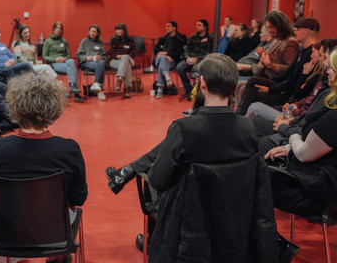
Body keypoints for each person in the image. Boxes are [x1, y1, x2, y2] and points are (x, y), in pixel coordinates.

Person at [106, 54, 278, 261]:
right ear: (233, 85)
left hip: (189, 230)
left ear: (202, 82)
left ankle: (149, 230)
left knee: (160, 175)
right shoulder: (249, 128)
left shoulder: (184, 128)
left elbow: (158, 180)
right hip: (235, 226)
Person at [265, 46, 337, 262]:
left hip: (326, 198)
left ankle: (275, 245)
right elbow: (324, 148)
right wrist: (292, 147)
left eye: (331, 67)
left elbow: (303, 155)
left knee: (251, 179)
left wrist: (291, 135)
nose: (327, 71)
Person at [0, 73, 87, 263]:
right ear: (54, 108)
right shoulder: (69, 149)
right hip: (54, 233)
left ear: (15, 107)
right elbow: (78, 198)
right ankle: (57, 257)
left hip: (4, 233)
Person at [233, 11, 300, 114]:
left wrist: (269, 64)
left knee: (252, 80)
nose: (269, 30)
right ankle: (239, 114)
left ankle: (240, 114)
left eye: (271, 27)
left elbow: (290, 70)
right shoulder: (278, 39)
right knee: (240, 86)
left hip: (278, 82)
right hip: (268, 76)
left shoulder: (290, 42)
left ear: (280, 25)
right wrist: (263, 57)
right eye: (268, 27)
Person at [43, 21, 84, 103]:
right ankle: (75, 92)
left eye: (60, 28)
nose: (58, 30)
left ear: (62, 30)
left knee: (71, 61)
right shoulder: (48, 41)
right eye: (56, 28)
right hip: (54, 63)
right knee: (73, 69)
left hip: (65, 62)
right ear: (53, 29)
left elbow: (69, 55)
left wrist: (64, 58)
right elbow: (44, 56)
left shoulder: (64, 41)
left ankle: (72, 86)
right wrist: (55, 59)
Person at [176, 19, 214, 99]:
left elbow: (209, 52)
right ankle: (188, 89)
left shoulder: (210, 37)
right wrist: (187, 57)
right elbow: (187, 49)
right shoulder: (193, 37)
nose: (196, 27)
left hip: (201, 60)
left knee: (195, 69)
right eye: (196, 25)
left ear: (205, 27)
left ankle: (196, 91)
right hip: (190, 58)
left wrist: (197, 59)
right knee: (179, 67)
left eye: (199, 25)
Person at [152, 21, 186, 99]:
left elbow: (179, 53)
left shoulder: (179, 39)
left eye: (168, 26)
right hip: (158, 59)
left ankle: (160, 88)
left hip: (171, 61)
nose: (166, 28)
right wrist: (162, 54)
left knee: (163, 62)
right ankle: (167, 78)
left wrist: (166, 53)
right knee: (162, 59)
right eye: (166, 26)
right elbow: (156, 49)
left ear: (174, 28)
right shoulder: (163, 38)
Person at [75, 24, 108, 101]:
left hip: (98, 62)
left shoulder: (100, 43)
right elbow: (78, 55)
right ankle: (100, 90)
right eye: (91, 31)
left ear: (97, 34)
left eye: (94, 32)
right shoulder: (84, 41)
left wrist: (100, 57)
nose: (92, 33)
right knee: (101, 66)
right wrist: (86, 57)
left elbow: (105, 56)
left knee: (101, 63)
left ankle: (97, 85)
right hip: (87, 62)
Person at [109, 23, 136, 99]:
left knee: (125, 58)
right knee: (127, 65)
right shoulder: (114, 40)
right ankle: (127, 89)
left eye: (119, 29)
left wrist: (125, 57)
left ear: (124, 31)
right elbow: (111, 52)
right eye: (116, 29)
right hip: (115, 61)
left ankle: (120, 78)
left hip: (129, 59)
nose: (116, 31)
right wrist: (117, 56)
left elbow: (133, 52)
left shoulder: (130, 40)